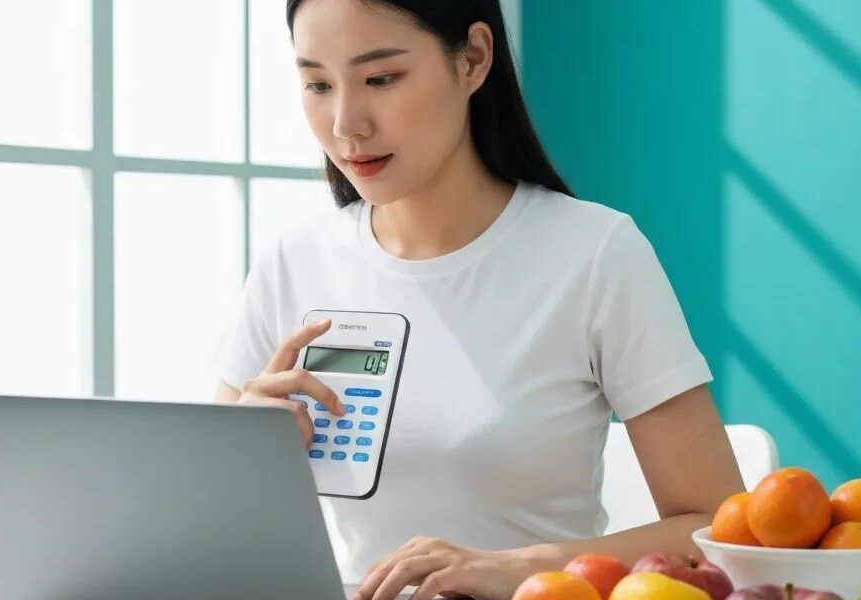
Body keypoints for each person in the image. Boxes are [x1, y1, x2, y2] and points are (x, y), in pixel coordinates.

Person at [213, 1, 745, 599]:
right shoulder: (294, 263)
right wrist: (248, 455)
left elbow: (717, 529)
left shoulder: (594, 254)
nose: (346, 124)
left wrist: (521, 567)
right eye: (318, 84)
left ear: (473, 59)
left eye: (381, 78)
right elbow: (203, 531)